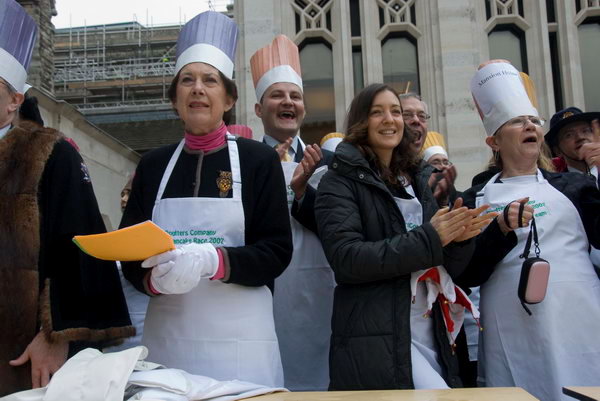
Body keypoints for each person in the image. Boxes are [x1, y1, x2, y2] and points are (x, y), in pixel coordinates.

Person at [120, 11, 292, 388]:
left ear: (229, 98)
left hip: (242, 348)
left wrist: (212, 260)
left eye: (210, 80)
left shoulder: (257, 160)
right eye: (187, 80)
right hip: (168, 346)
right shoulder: (152, 166)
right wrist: (154, 280)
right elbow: (129, 253)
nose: (197, 88)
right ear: (174, 99)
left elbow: (277, 252)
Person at [315, 83, 493, 390]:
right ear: (360, 122)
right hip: (376, 331)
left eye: (395, 111)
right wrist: (431, 238)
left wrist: (460, 239)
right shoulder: (338, 181)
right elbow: (347, 259)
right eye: (377, 112)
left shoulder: (424, 179)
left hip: (432, 327)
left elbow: (452, 267)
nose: (390, 119)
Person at [0, 0, 133, 394]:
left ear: (13, 101)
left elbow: (82, 251)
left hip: (21, 356)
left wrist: (58, 336)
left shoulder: (50, 154)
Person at [460, 60, 600, 400]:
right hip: (510, 325)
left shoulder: (575, 186)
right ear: (493, 141)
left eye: (533, 121)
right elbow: (467, 271)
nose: (529, 126)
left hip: (579, 317)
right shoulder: (472, 198)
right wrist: (502, 228)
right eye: (517, 121)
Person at [250, 34, 335, 390]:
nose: (288, 102)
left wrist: (303, 194)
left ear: (303, 107)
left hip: (320, 295)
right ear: (258, 109)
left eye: (295, 96)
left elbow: (337, 227)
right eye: (277, 95)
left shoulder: (331, 163)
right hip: (265, 295)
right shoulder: (245, 163)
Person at [400, 94, 456, 206]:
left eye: (422, 116)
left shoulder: (426, 178)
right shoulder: (376, 174)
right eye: (407, 115)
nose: (416, 120)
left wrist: (440, 203)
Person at [544, 107, 600, 180]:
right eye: (569, 135)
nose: (580, 137)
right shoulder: (555, 185)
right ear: (557, 150)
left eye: (585, 131)